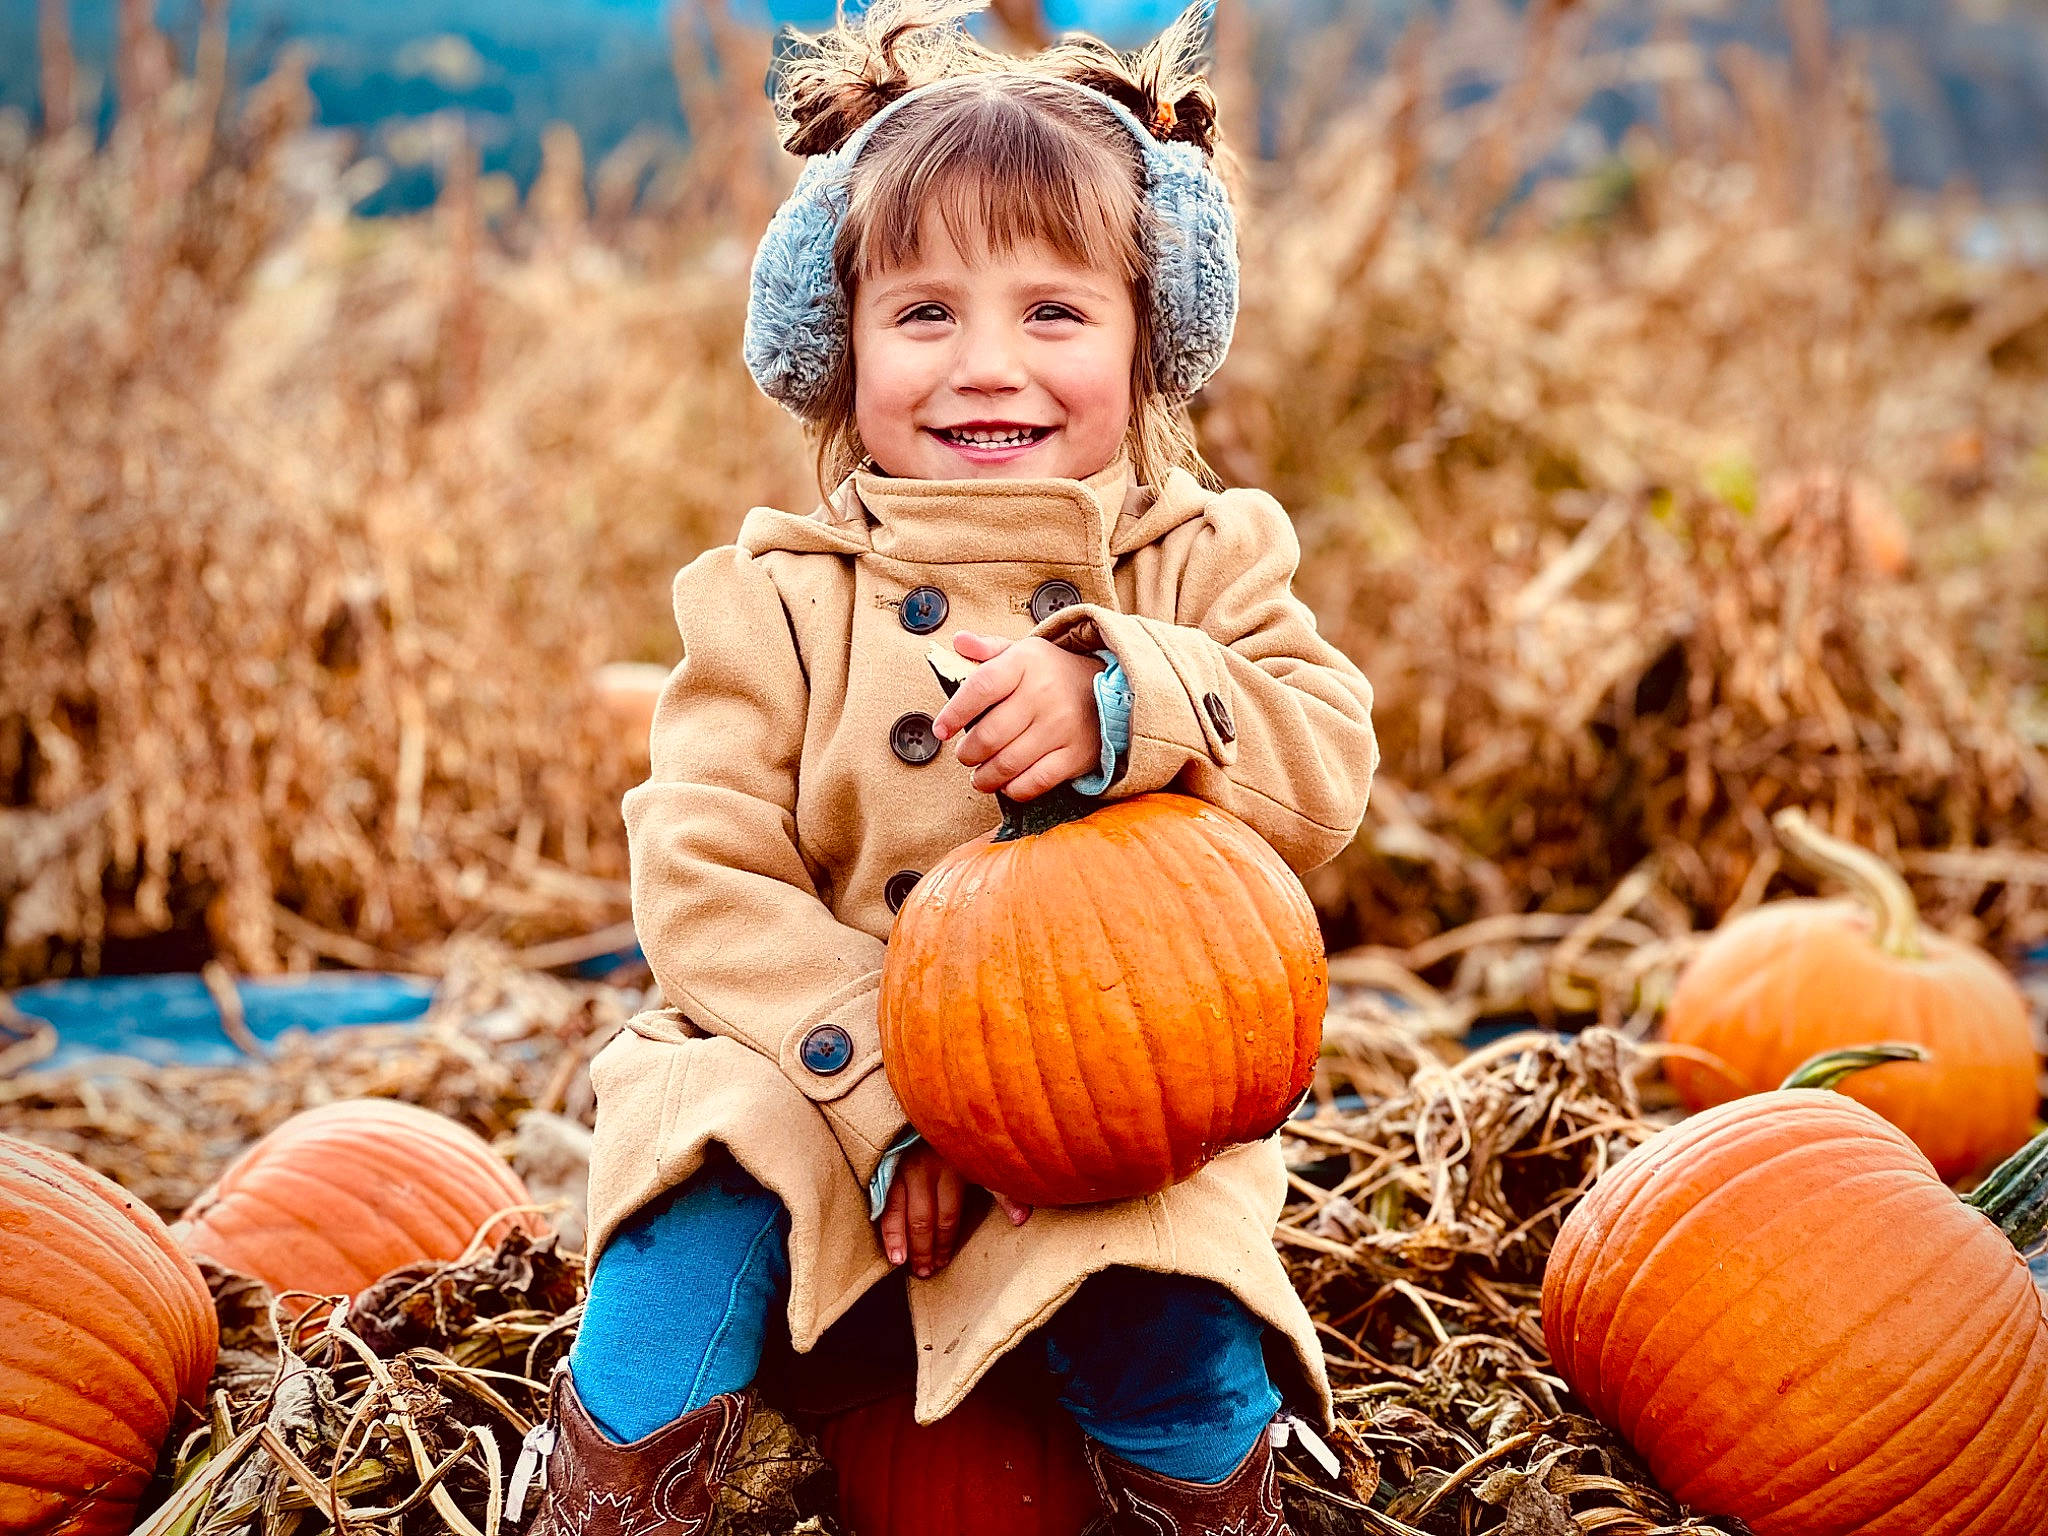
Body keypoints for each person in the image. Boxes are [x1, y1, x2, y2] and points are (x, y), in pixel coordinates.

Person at [510, 3, 1377, 1531]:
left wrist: (1133, 700)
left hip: (1101, 1103)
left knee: (1161, 1305)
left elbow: (1325, 767)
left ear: (1148, 334)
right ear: (832, 347)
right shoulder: (770, 600)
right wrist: (904, 1103)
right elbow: (702, 878)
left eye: (1054, 314)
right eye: (924, 315)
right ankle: (620, 1488)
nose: (989, 368)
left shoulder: (1200, 565)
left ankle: (1207, 1490)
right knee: (679, 1238)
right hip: (809, 1073)